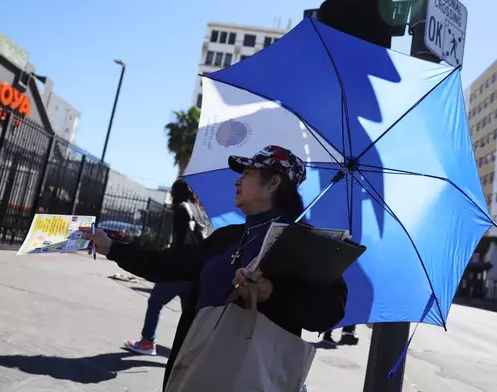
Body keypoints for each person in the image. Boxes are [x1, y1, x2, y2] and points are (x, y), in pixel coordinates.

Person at [82, 145, 347, 391]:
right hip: (197, 366)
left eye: (247, 173)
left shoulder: (301, 242)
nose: (237, 181)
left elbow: (330, 309)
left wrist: (272, 295)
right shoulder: (229, 237)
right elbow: (171, 265)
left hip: (254, 377)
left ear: (273, 183)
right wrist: (113, 248)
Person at [123, 179, 213, 356]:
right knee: (190, 314)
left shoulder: (182, 210)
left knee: (155, 301)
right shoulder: (199, 211)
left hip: (177, 270)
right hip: (194, 271)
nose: (171, 196)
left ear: (177, 193)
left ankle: (147, 342)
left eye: (172, 192)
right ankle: (192, 351)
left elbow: (180, 243)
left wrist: (165, 259)